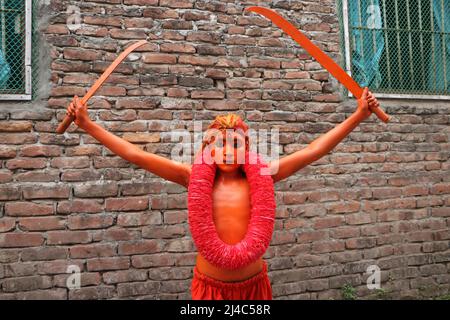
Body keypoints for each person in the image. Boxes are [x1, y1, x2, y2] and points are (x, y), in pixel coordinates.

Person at [66, 87, 380, 299]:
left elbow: (314, 150)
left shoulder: (264, 174)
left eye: (235, 144)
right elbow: (136, 155)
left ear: (248, 148)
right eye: (219, 144)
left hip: (254, 288)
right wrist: (89, 125)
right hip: (209, 289)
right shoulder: (192, 177)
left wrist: (358, 116)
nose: (227, 151)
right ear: (207, 148)